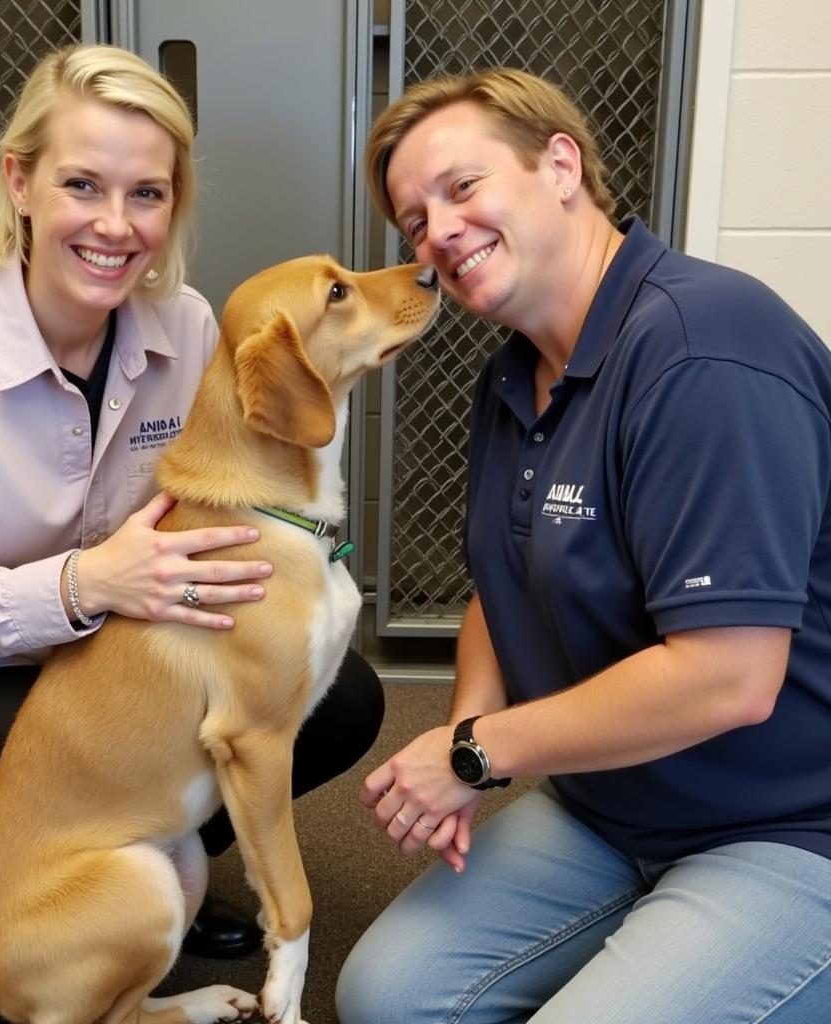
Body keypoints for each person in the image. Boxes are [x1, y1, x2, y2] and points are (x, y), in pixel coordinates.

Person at [0, 43, 383, 963]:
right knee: (84, 753)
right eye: (82, 184)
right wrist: (85, 586)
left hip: (104, 645)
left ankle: (148, 866)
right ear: (20, 183)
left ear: (173, 204)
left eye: (146, 194)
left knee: (339, 698)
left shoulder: (189, 324)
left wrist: (298, 583)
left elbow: (225, 504)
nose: (114, 226)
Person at [336, 68, 831, 1024]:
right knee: (389, 999)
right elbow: (499, 586)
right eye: (413, 219)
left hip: (793, 823)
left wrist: (481, 752)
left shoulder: (705, 350)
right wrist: (461, 736)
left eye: (462, 186)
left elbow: (730, 677)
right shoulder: (513, 378)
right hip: (613, 807)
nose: (437, 232)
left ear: (560, 164)